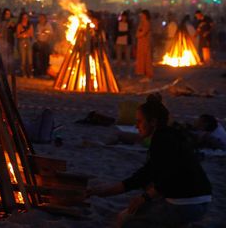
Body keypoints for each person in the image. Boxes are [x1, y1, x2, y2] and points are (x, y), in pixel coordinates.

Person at [88, 94, 212, 227]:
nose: (136, 126)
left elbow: (169, 175)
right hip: (199, 199)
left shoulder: (162, 140)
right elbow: (147, 173)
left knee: (128, 223)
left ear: (153, 122)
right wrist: (106, 191)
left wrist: (144, 198)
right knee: (128, 214)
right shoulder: (169, 135)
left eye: (139, 121)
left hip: (186, 203)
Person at [0, 8, 16, 75]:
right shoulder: (0, 22)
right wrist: (0, 35)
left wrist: (12, 26)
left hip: (10, 42)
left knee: (10, 58)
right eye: (7, 14)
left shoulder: (11, 22)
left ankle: (10, 72)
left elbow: (14, 31)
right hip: (3, 42)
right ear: (4, 14)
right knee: (4, 58)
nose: (8, 15)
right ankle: (4, 72)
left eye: (9, 14)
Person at [135, 10, 153, 82]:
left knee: (146, 60)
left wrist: (138, 35)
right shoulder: (141, 23)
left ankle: (148, 75)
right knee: (142, 60)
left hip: (145, 44)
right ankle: (144, 75)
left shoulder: (146, 23)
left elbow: (142, 32)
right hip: (141, 44)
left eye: (142, 15)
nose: (141, 16)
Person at [114, 11, 132, 78]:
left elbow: (129, 32)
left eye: (125, 16)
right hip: (119, 42)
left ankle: (128, 74)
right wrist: (124, 33)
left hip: (127, 43)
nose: (124, 18)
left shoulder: (129, 24)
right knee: (119, 59)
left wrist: (122, 33)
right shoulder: (118, 23)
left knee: (127, 59)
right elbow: (117, 33)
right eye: (123, 16)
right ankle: (118, 73)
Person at [16, 12, 34, 77]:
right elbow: (17, 35)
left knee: (29, 58)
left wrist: (26, 34)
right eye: (23, 18)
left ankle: (30, 73)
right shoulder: (19, 25)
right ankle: (23, 73)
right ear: (21, 18)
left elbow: (31, 34)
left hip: (28, 41)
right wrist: (23, 34)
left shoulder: (30, 25)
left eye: (26, 17)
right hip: (21, 41)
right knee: (23, 58)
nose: (25, 19)